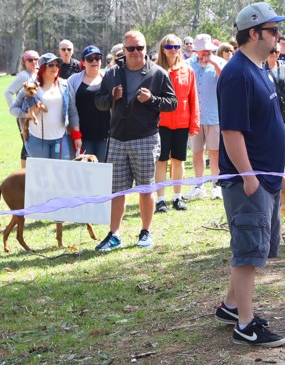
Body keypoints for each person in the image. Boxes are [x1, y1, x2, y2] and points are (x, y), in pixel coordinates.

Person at [214, 2, 285, 347]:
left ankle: (231, 306)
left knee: (257, 248)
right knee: (246, 252)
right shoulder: (237, 73)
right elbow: (231, 132)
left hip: (265, 178)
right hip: (250, 181)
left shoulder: (260, 68)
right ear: (254, 33)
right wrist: (247, 175)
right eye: (273, 30)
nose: (279, 35)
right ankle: (245, 325)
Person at [93, 31, 177, 251]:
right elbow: (99, 103)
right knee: (117, 191)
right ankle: (114, 234)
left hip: (146, 138)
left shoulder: (157, 73)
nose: (136, 53)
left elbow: (172, 103)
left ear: (145, 48)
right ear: (124, 49)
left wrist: (152, 100)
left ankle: (145, 232)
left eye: (140, 48)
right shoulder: (112, 74)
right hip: (118, 139)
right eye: (131, 49)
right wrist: (111, 97)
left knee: (146, 189)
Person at [154, 34, 200, 213]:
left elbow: (193, 98)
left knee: (178, 161)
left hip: (182, 122)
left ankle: (177, 197)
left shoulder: (187, 70)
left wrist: (194, 122)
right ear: (163, 49)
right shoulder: (156, 70)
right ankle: (160, 199)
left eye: (177, 47)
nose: (173, 50)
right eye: (169, 47)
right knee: (161, 161)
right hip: (161, 123)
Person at [14, 53, 75, 160]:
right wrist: (27, 114)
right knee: (41, 175)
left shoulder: (65, 85)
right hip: (36, 139)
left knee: (60, 173)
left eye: (57, 65)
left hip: (60, 138)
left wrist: (76, 134)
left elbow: (72, 111)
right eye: (51, 64)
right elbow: (13, 109)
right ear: (42, 67)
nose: (55, 67)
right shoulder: (31, 86)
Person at [187, 34, 224, 201]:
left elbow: (226, 81)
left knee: (214, 153)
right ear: (196, 51)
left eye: (208, 51)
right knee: (196, 152)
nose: (205, 54)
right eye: (202, 51)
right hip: (194, 117)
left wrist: (214, 63)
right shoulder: (188, 65)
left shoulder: (220, 63)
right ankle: (199, 185)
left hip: (214, 115)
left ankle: (216, 186)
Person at [66, 46, 111, 163]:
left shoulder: (108, 79)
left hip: (104, 135)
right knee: (84, 170)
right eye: (90, 58)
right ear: (83, 62)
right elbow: (69, 107)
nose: (95, 61)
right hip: (82, 136)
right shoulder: (73, 80)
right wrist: (74, 133)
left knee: (102, 169)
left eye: (98, 57)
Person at [5, 50, 40, 166]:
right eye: (30, 60)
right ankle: (24, 174)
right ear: (24, 62)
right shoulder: (23, 76)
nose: (34, 62)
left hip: (35, 115)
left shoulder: (37, 73)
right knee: (27, 144)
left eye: (36, 59)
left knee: (34, 143)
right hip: (24, 116)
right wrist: (16, 110)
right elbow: (8, 92)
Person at [263, 43, 285, 140]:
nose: (274, 54)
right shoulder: (261, 69)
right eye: (271, 51)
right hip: (268, 108)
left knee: (280, 137)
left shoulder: (284, 69)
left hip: (284, 109)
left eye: (276, 52)